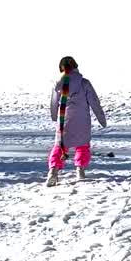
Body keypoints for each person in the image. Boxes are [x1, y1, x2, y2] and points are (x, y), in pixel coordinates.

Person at [47, 56, 106, 186]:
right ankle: (80, 169)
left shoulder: (57, 84)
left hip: (64, 120)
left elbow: (53, 103)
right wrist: (102, 119)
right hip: (82, 120)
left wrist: (53, 117)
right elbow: (94, 102)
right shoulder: (84, 83)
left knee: (60, 146)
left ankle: (53, 171)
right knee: (82, 145)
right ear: (76, 66)